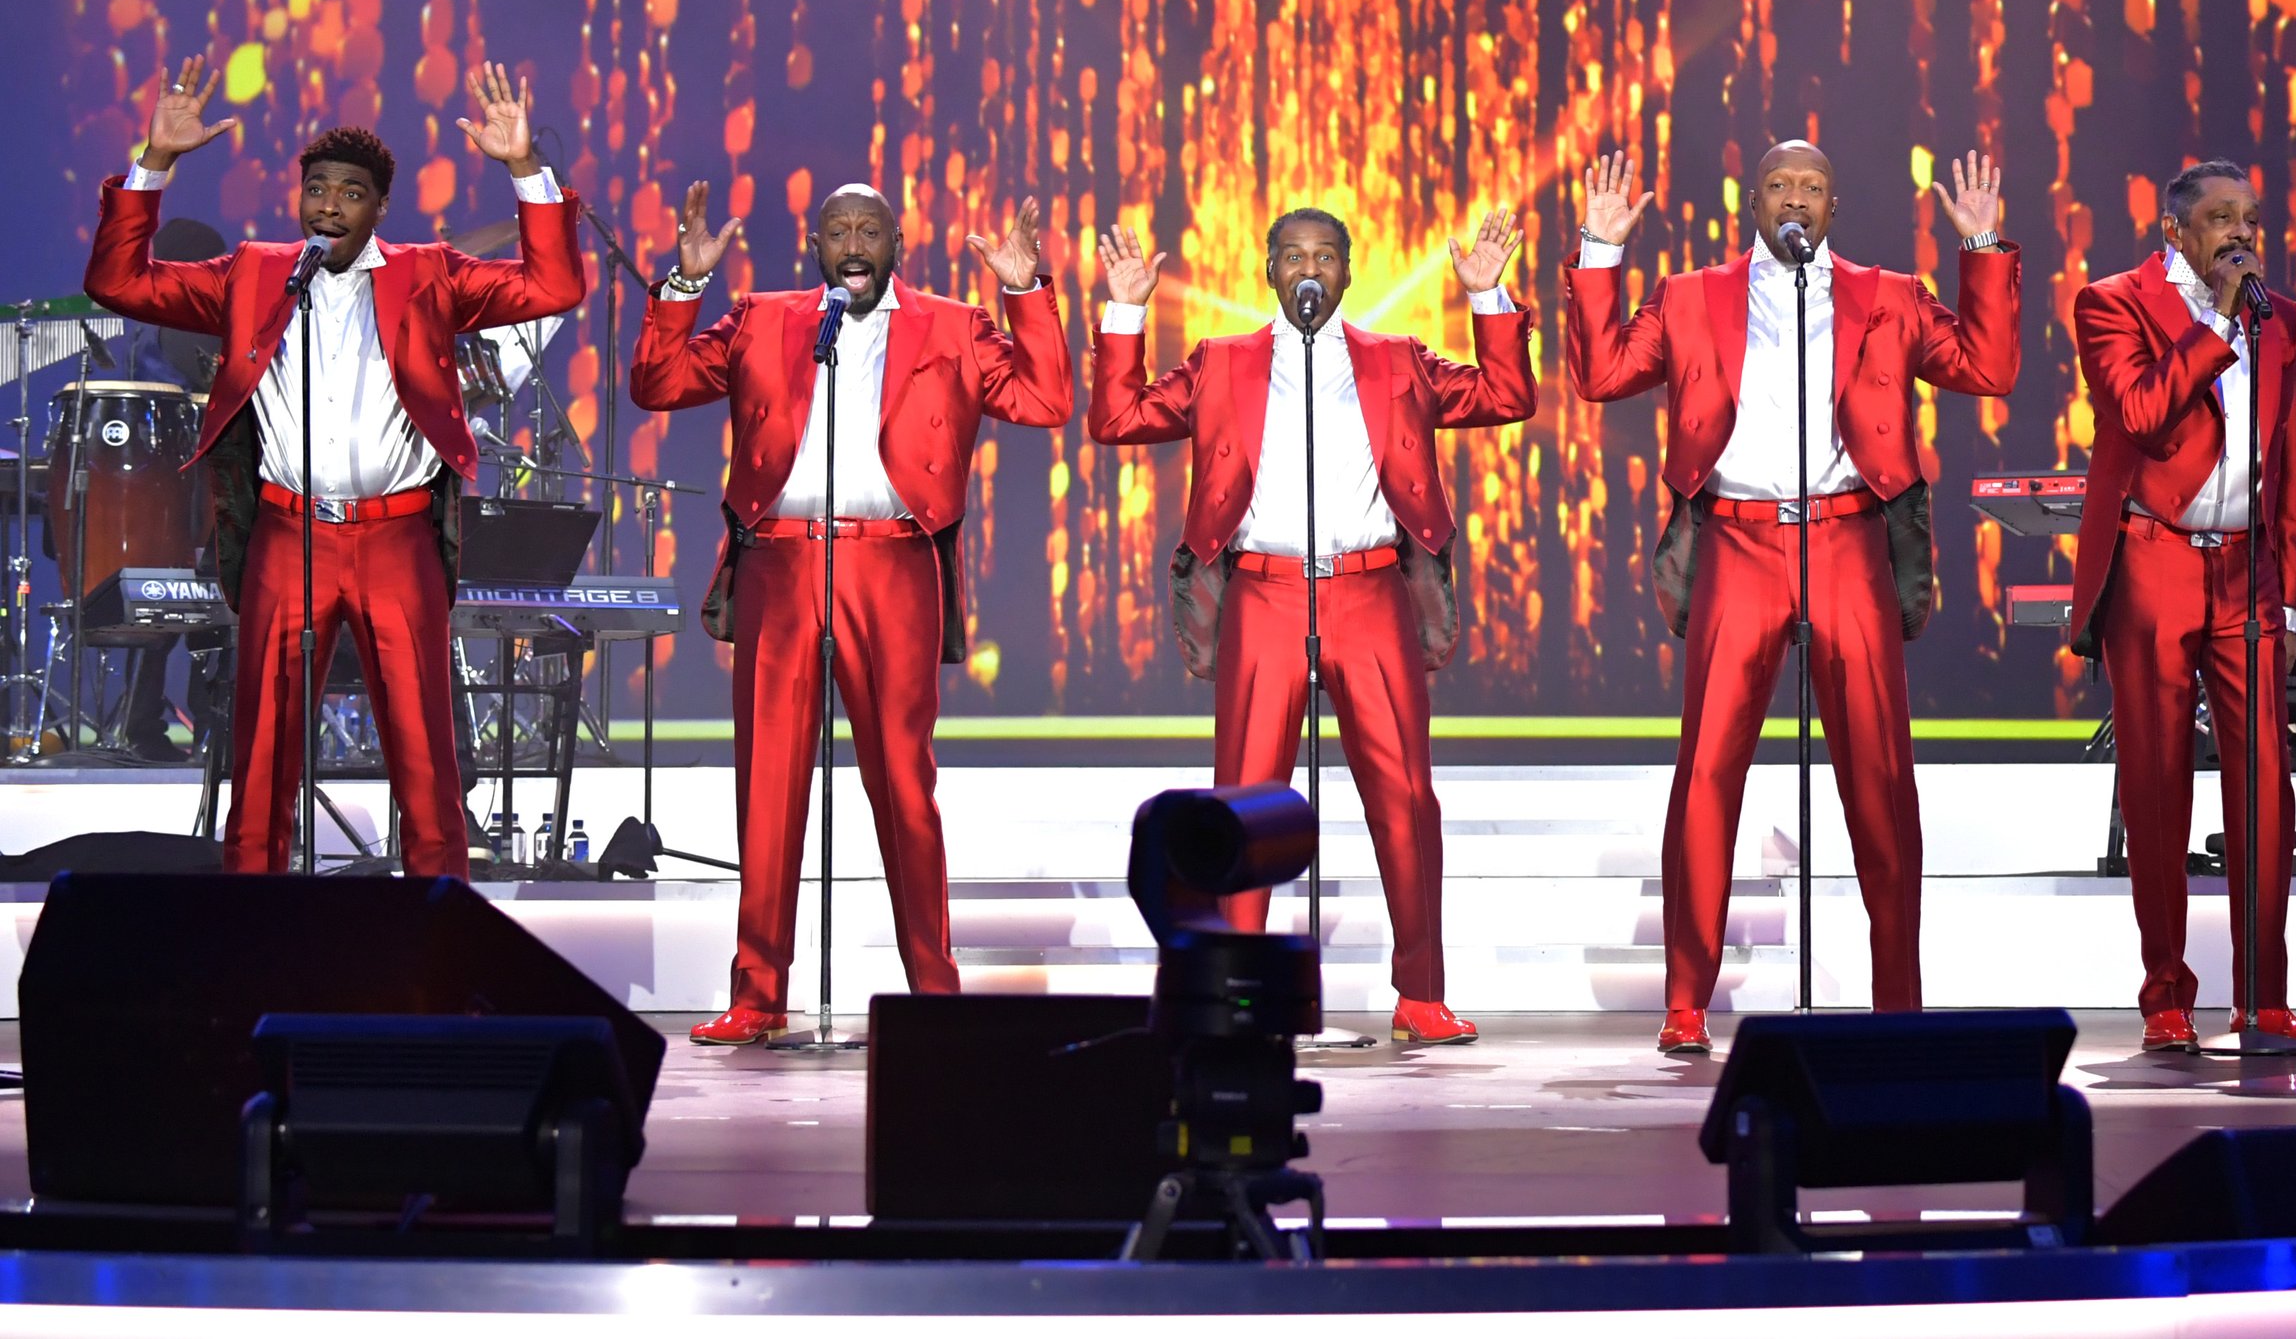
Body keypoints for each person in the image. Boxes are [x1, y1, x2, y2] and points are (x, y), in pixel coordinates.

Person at [1565, 143, 2020, 1054]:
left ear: (1835, 202)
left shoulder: (1885, 294)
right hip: (1737, 539)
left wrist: (1983, 248)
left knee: (1882, 776)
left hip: (1849, 536)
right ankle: (1686, 1001)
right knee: (1707, 772)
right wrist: (1600, 254)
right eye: (1781, 186)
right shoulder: (1692, 296)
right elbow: (1602, 374)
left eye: (1813, 187)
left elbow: (1987, 368)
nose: (1796, 200)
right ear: (1753, 201)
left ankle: (1898, 997)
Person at [83, 55, 584, 876]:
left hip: (396, 540)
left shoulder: (431, 273)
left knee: (426, 768)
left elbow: (554, 284)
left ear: (379, 207)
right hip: (287, 536)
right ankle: (253, 961)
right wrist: (156, 163)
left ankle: (442, 958)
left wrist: (524, 170)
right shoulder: (254, 272)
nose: (329, 204)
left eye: (350, 192)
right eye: (317, 187)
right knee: (262, 771)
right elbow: (116, 279)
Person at [632, 180, 1074, 1045]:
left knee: (904, 786)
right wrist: (684, 288)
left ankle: (931, 993)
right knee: (768, 787)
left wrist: (1024, 295)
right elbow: (657, 383)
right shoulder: (764, 318)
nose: (856, 243)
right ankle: (757, 993)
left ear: (899, 240)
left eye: (871, 228)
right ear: (815, 244)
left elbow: (1047, 399)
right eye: (840, 230)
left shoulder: (951, 326)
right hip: (780, 563)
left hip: (892, 562)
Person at [1088, 203, 1537, 1045]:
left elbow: (1507, 394)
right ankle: (1234, 992)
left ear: (1346, 270)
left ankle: (1421, 994)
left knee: (1405, 796)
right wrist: (1127, 311)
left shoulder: (1396, 360)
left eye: (1325, 255)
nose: (1309, 268)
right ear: (1267, 269)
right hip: (1262, 595)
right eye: (1293, 254)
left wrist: (1488, 301)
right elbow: (1117, 419)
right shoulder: (1222, 362)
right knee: (1244, 802)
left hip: (1370, 595)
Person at [2070, 158, 2296, 1052]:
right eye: (2221, 217)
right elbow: (2141, 412)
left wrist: (2291, 597)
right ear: (2175, 230)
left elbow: (2290, 468)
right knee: (2157, 784)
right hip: (2155, 559)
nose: (2241, 232)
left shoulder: (2283, 320)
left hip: (2248, 571)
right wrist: (2216, 321)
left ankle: (2262, 995)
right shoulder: (2112, 302)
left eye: (2250, 217)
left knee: (2264, 783)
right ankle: (2165, 995)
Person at [122, 215, 226, 762]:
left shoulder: (175, 322)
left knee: (196, 607)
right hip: (179, 482)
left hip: (182, 484)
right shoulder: (169, 328)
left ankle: (159, 728)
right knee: (184, 607)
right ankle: (170, 728)